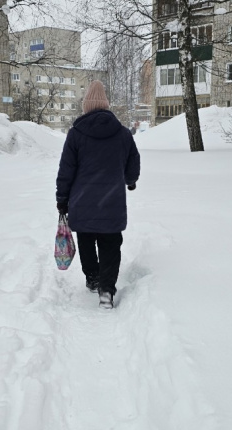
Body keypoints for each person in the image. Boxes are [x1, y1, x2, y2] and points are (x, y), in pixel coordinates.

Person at [55, 80, 141, 308]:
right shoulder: (122, 133)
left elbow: (66, 170)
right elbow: (133, 161)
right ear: (105, 105)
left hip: (82, 203)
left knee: (86, 241)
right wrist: (130, 181)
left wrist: (62, 199)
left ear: (86, 107)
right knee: (111, 245)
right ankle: (106, 289)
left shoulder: (75, 134)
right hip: (112, 202)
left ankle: (93, 279)